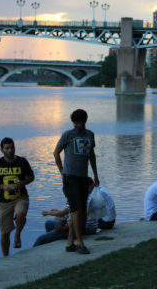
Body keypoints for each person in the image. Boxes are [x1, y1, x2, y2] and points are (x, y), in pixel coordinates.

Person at [53, 108, 98, 255]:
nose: (75, 125)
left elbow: (91, 155)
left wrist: (96, 175)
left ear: (84, 121)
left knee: (78, 211)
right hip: (70, 177)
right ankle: (80, 243)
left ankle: (69, 242)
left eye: (78, 122)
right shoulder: (68, 135)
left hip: (83, 178)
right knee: (76, 210)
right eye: (74, 122)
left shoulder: (90, 135)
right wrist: (62, 172)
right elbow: (56, 153)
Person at [0, 137, 35, 256]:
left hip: (21, 197)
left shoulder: (22, 161)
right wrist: (3, 187)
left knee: (20, 214)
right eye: (7, 148)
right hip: (4, 201)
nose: (10, 150)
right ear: (2, 150)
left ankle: (17, 235)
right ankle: (6, 257)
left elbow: (31, 177)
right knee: (4, 233)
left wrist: (22, 183)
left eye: (12, 147)